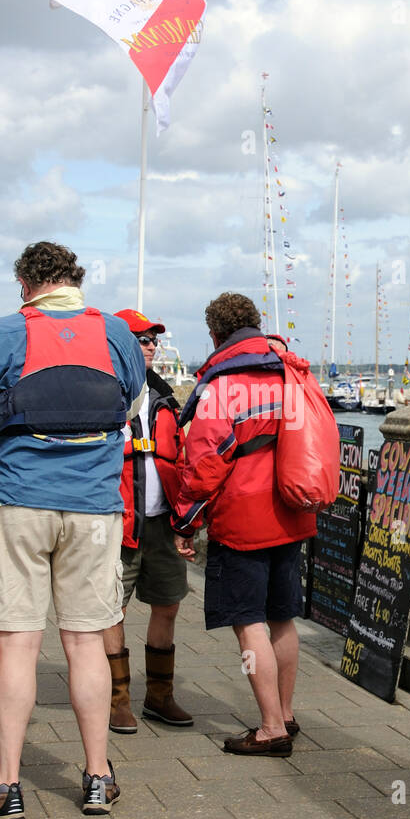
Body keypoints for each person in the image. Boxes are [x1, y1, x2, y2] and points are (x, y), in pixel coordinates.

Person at [0, 241, 144, 819]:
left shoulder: (1, 335)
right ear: (75, 280)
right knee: (85, 643)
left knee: (17, 646)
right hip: (96, 508)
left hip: (20, 502)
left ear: (25, 283)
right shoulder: (118, 335)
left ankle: (6, 786)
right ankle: (99, 776)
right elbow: (129, 408)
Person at [171, 293, 316, 757]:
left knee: (248, 622)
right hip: (294, 508)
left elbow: (205, 463)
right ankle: (287, 713)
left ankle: (270, 727)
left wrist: (185, 521)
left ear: (215, 334)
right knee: (282, 617)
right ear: (256, 324)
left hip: (244, 517)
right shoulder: (291, 370)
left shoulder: (223, 384)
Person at [104, 308, 192, 733]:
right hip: (117, 524)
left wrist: (188, 520)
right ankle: (117, 700)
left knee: (168, 604)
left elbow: (185, 458)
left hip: (161, 523)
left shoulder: (165, 397)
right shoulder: (102, 393)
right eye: (142, 339)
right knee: (110, 610)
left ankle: (159, 696)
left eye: (154, 339)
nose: (151, 346)